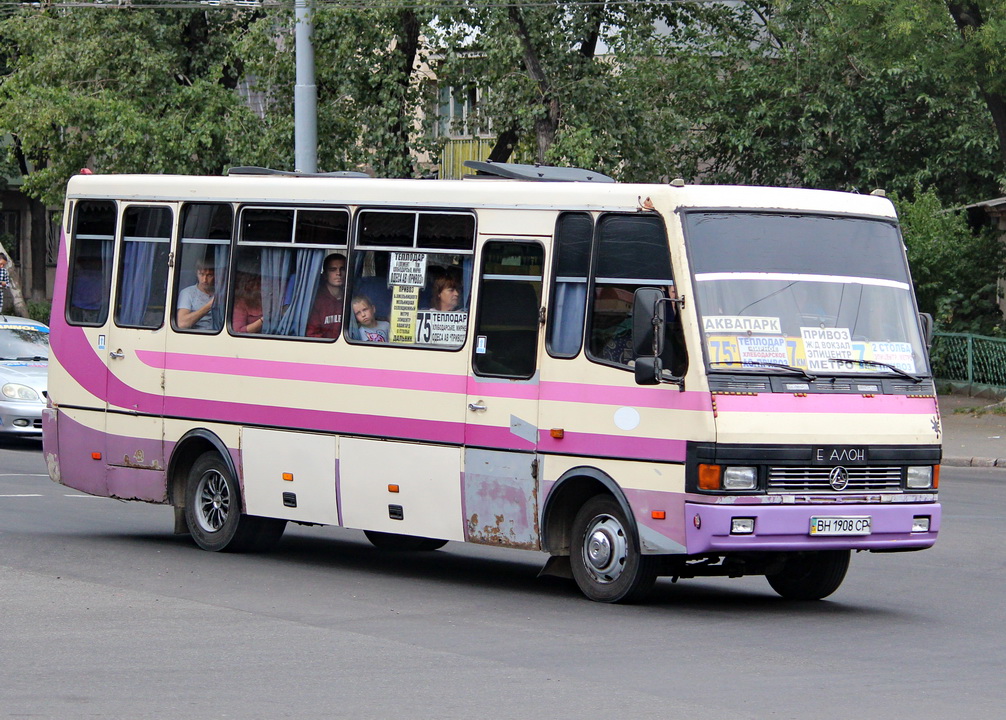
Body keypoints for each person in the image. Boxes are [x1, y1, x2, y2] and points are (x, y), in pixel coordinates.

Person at [305, 253, 346, 339]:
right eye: (333, 269)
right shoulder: (317, 300)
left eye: (342, 269)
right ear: (325, 275)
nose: (338, 273)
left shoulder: (350, 298)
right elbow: (312, 334)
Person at [176, 258, 217, 330]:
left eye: (209, 275)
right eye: (201, 274)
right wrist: (209, 306)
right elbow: (182, 323)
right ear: (196, 273)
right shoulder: (187, 293)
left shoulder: (221, 293)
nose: (204, 280)